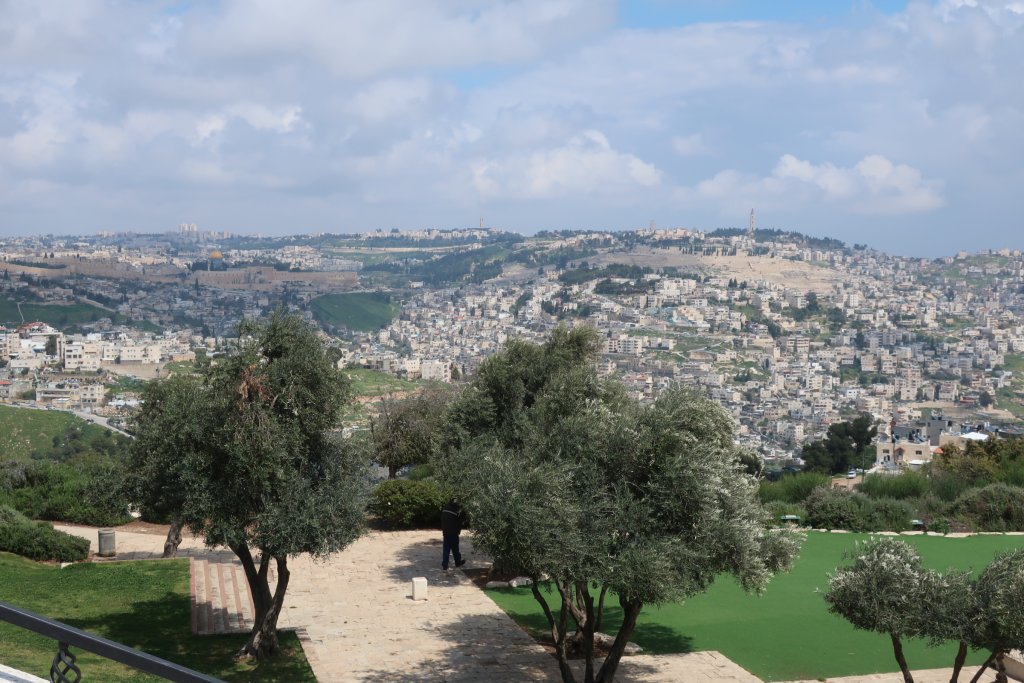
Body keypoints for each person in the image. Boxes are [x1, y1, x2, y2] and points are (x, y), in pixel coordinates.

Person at [441, 499, 466, 570]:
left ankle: (445, 564)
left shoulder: (446, 508)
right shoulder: (457, 509)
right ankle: (457, 562)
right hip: (453, 532)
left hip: (446, 532)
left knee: (446, 548)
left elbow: (442, 519)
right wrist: (458, 530)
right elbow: (461, 521)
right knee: (455, 548)